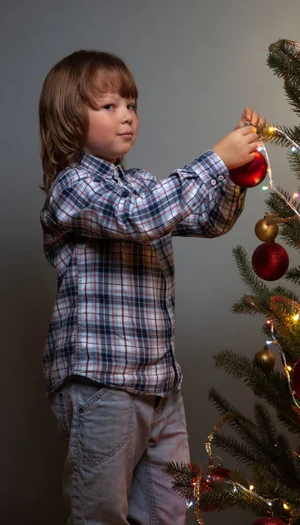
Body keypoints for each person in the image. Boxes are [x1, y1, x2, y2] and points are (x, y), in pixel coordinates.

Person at [39, 49, 266, 525]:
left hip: (160, 387)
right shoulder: (72, 186)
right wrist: (214, 161)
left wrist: (238, 174)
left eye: (131, 104)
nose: (127, 116)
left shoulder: (140, 183)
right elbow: (140, 219)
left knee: (169, 512)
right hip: (104, 385)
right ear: (67, 120)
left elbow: (208, 220)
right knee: (101, 513)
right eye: (109, 106)